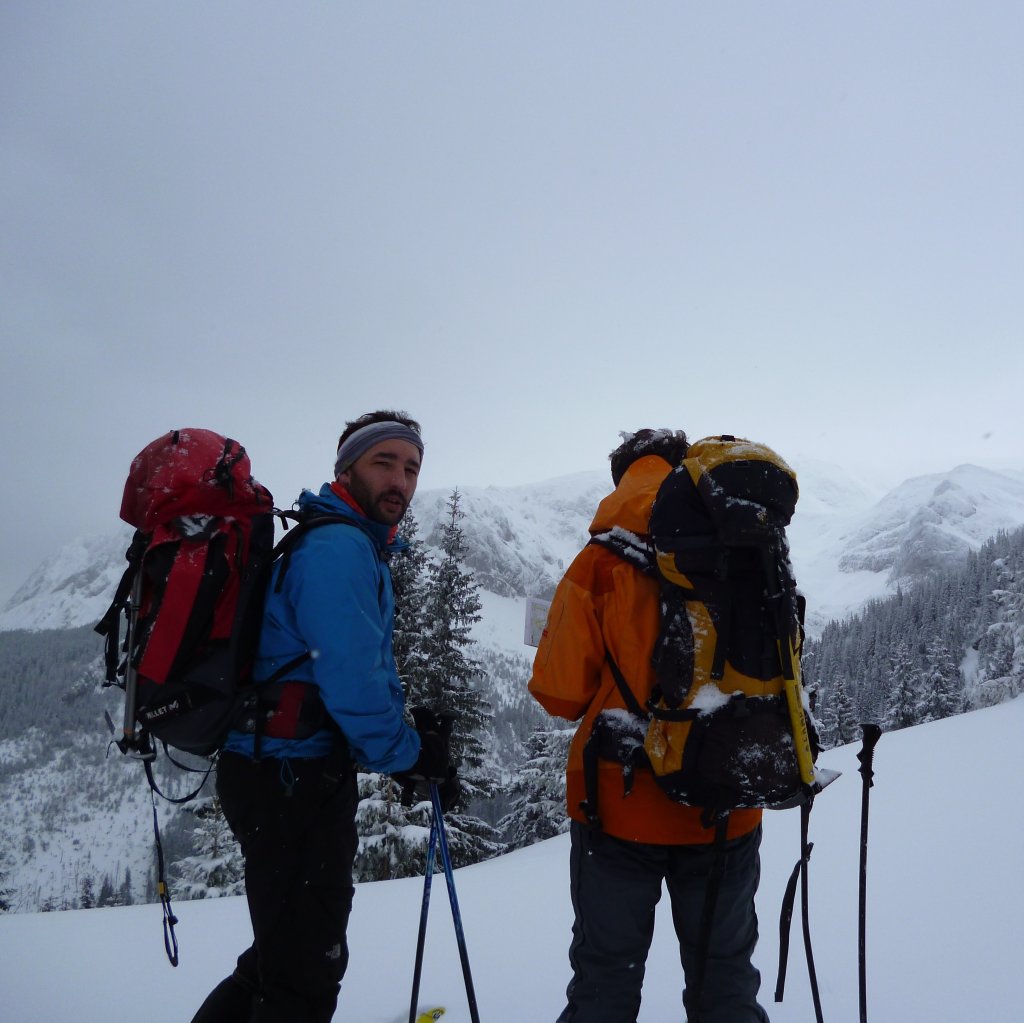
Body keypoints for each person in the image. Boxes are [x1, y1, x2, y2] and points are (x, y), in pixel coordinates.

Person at [191, 410, 455, 1023]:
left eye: (411, 468)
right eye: (383, 462)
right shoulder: (338, 548)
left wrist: (403, 747)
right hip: (291, 778)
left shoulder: (344, 540)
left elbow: (353, 672)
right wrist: (411, 755)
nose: (400, 481)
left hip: (283, 768)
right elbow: (352, 681)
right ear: (346, 469)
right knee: (304, 973)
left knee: (280, 959)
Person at [529, 429, 770, 1023]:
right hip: (726, 799)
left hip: (619, 804)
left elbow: (560, 694)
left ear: (622, 478)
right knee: (725, 982)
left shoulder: (601, 560)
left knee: (605, 980)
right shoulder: (748, 547)